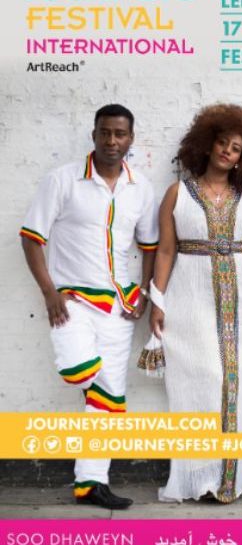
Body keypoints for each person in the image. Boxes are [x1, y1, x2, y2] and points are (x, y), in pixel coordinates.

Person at [20, 104, 158, 510]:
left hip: (119, 307)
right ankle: (92, 457)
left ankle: (91, 483)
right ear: (93, 134)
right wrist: (49, 293)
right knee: (80, 372)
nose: (112, 141)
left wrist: (145, 293)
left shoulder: (140, 187)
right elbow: (31, 238)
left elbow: (148, 246)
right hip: (72, 302)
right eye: (105, 133)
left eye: (120, 134)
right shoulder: (62, 180)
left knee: (111, 398)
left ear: (131, 138)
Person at [149, 103, 242, 503]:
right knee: (204, 379)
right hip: (191, 295)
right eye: (222, 143)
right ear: (207, 145)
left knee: (241, 386)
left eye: (236, 147)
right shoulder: (178, 193)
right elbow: (166, 251)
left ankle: (234, 477)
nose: (227, 151)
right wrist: (158, 301)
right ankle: (199, 476)